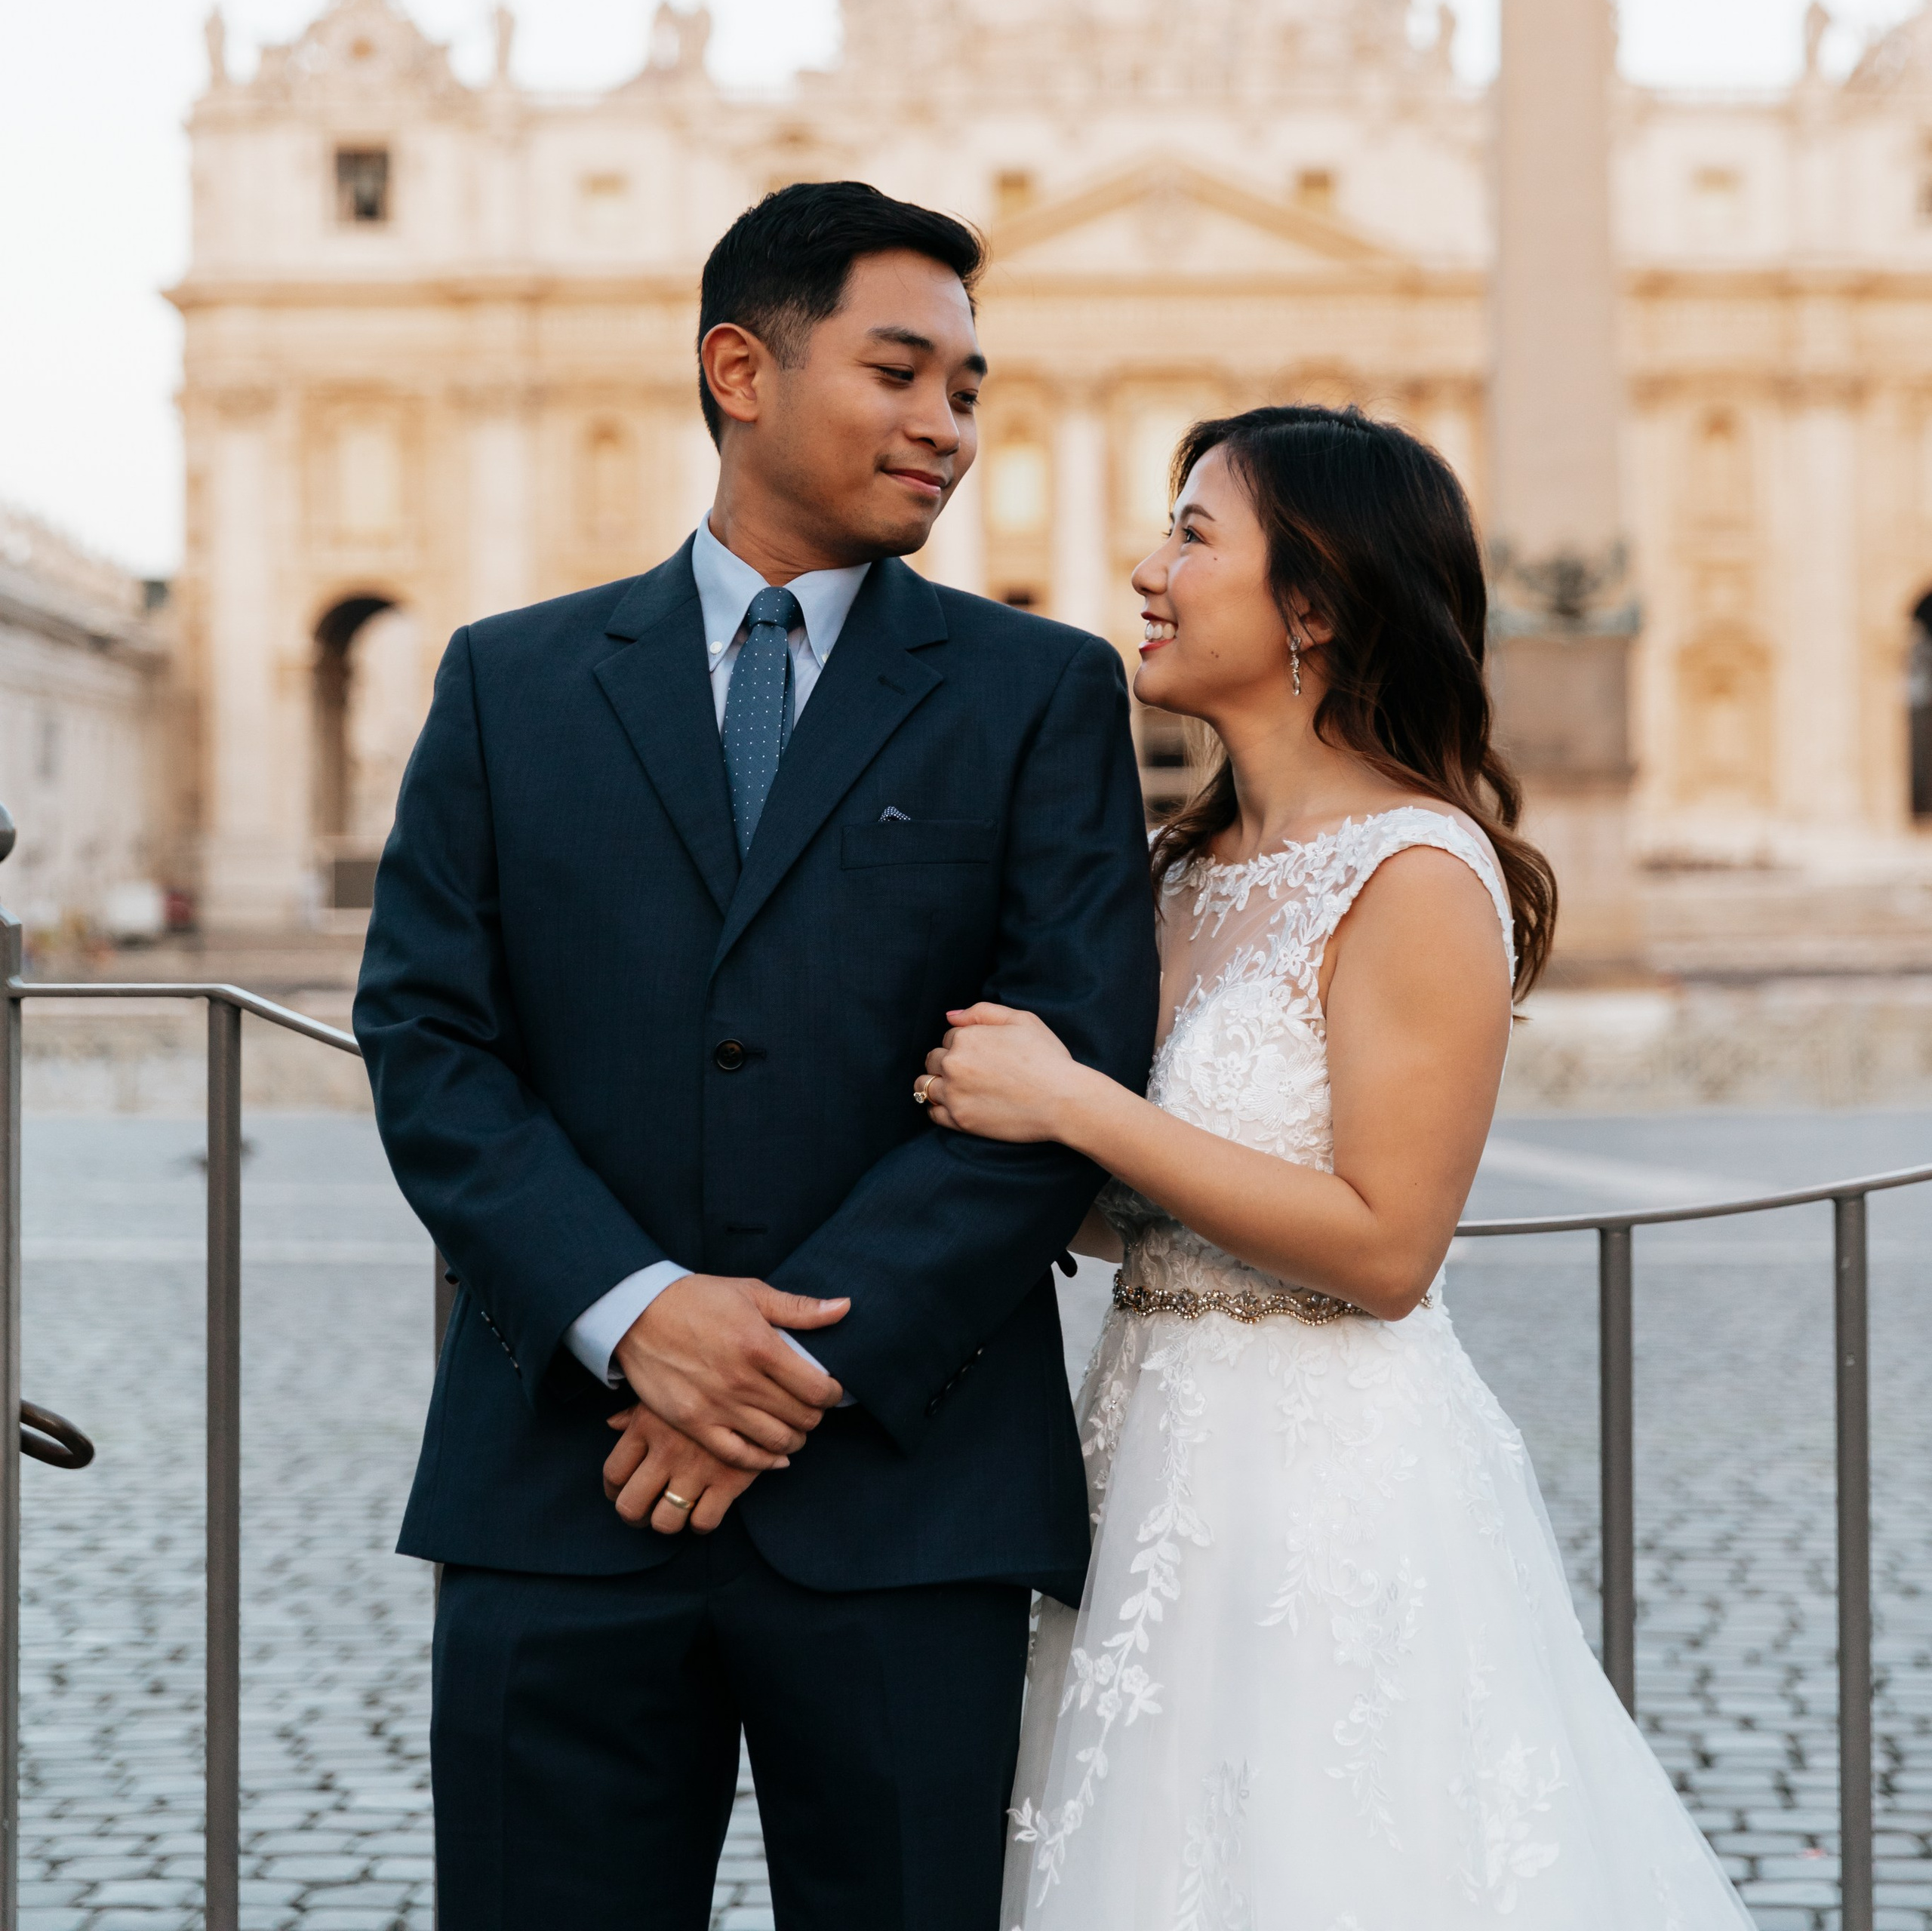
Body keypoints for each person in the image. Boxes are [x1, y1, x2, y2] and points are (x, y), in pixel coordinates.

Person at [355, 182, 1158, 1931]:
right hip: (557, 1485)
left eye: (967, 389)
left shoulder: (1040, 693)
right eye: (900, 371)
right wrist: (633, 1312)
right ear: (740, 369)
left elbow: (1071, 1062)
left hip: (907, 1500)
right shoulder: (507, 682)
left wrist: (774, 1372)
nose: (946, 425)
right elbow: (427, 1038)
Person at [917, 405, 1753, 1929]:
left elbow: (1385, 1248)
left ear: (1310, 605)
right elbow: (1146, 1204)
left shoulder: (1416, 871)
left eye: (1190, 535)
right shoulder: (1177, 870)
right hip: (1140, 1458)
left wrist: (1076, 1107)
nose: (1145, 569)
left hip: (1325, 1484)